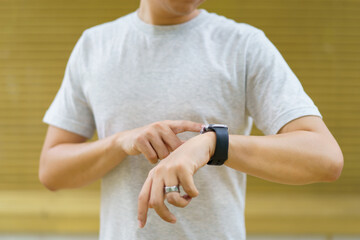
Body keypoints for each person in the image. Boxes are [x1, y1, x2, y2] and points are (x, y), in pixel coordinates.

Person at [39, 0, 344, 239]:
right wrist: (120, 142)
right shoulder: (94, 46)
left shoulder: (244, 45)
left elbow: (324, 158)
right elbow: (52, 170)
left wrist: (212, 144)